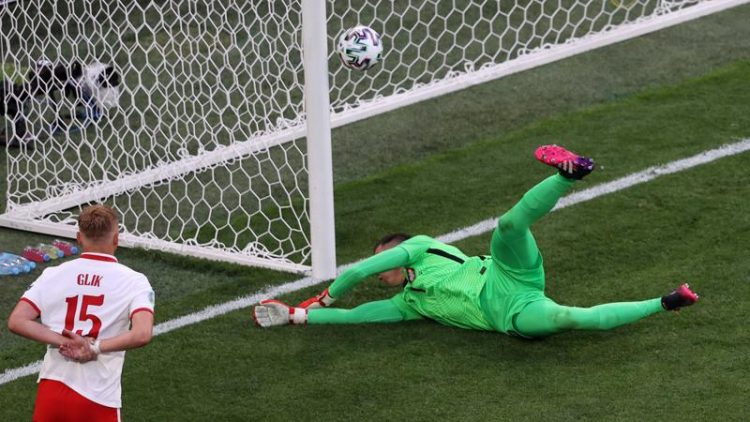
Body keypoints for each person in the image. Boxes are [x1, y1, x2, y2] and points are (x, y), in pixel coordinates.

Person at [253, 145, 699, 337]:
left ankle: (569, 175)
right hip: (509, 313)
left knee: (508, 227)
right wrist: (297, 316)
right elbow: (358, 317)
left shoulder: (422, 246)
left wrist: (324, 297)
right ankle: (664, 303)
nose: (380, 268)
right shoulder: (410, 303)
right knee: (569, 318)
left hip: (506, 274)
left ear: (400, 249)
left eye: (383, 257)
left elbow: (358, 272)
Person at [7, 204, 155, 421]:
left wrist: (65, 342)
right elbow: (142, 334)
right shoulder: (134, 281)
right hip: (98, 398)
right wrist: (93, 347)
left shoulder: (52, 274)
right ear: (116, 238)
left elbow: (17, 320)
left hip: (51, 393)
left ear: (79, 238)